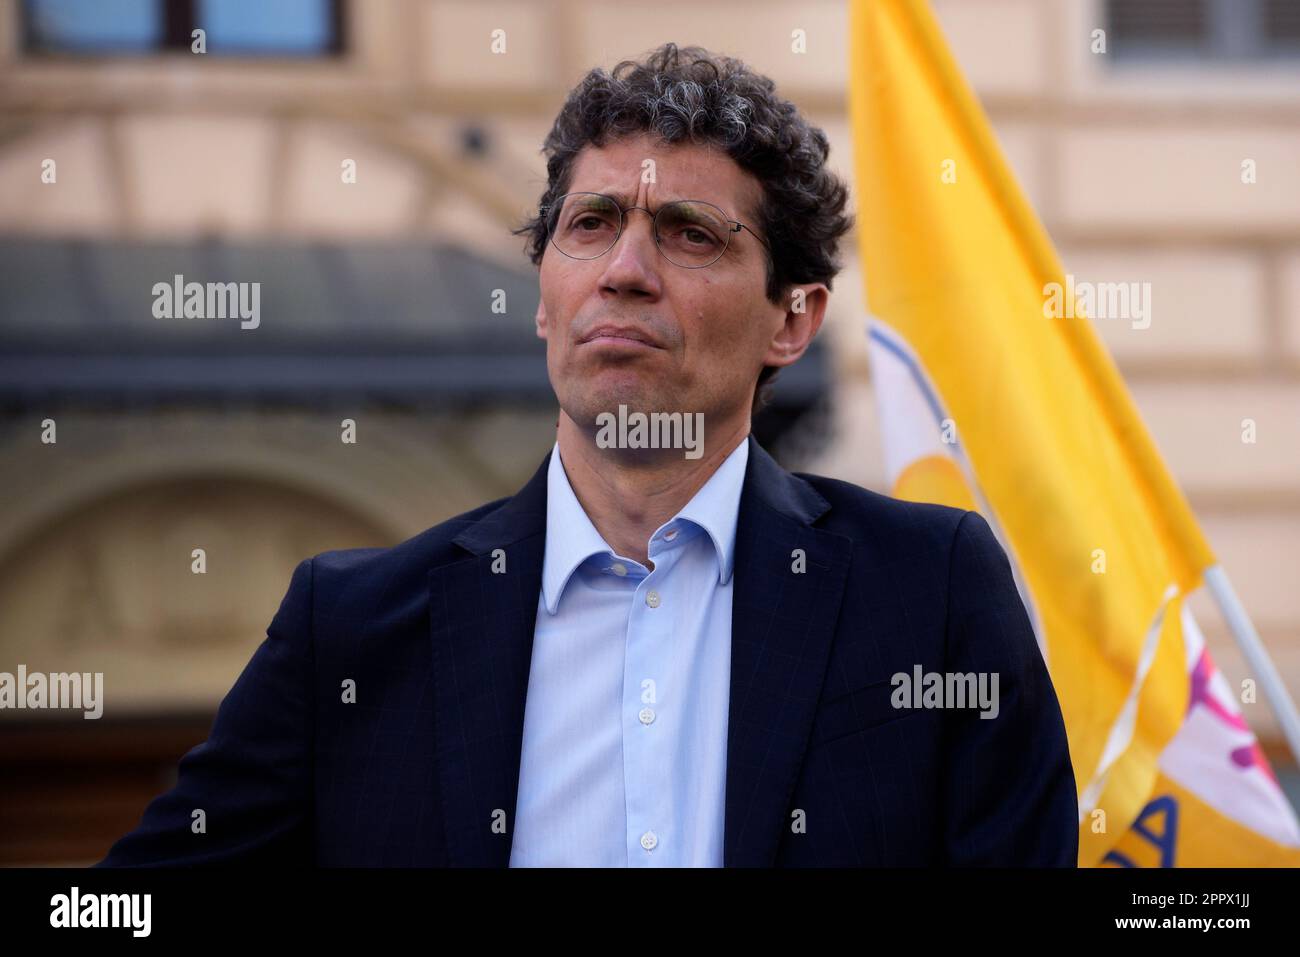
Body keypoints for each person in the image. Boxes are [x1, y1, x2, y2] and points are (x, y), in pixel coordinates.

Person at [97, 43, 1077, 868]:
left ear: (793, 319)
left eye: (689, 235)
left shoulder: (930, 594)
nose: (624, 273)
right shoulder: (351, 631)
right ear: (541, 299)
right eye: (591, 225)